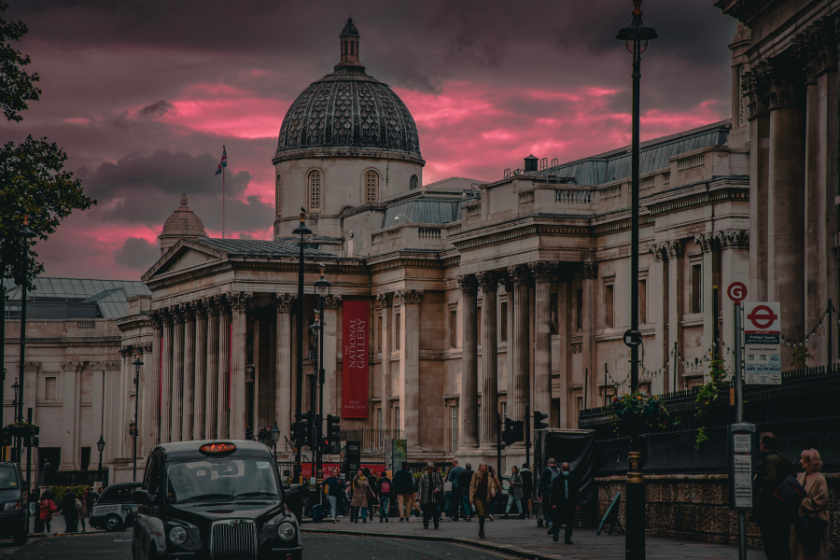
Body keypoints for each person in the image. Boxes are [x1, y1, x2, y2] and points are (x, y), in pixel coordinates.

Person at [753, 432, 794, 560]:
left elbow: (769, 485)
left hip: (771, 513)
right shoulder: (784, 459)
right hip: (784, 511)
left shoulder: (771, 459)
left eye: (760, 443)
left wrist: (759, 507)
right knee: (783, 546)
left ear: (764, 445)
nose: (759, 445)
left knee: (772, 547)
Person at [790, 449, 828, 560]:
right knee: (799, 552)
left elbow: (820, 501)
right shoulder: (800, 477)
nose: (800, 461)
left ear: (810, 462)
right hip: (800, 520)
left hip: (813, 521)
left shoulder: (820, 479)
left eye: (803, 459)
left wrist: (801, 501)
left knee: (813, 552)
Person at [548, 462, 579, 544]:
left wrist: (576, 503)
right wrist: (553, 503)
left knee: (570, 522)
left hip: (570, 504)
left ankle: (567, 538)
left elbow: (575, 492)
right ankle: (555, 533)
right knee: (558, 521)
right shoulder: (557, 479)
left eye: (566, 469)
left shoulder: (572, 479)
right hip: (560, 503)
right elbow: (554, 493)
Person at [468, 462, 499, 540]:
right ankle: (482, 532)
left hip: (486, 497)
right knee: (481, 514)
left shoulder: (489, 475)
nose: (483, 467)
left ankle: (481, 530)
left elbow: (492, 485)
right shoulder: (475, 475)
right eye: (481, 466)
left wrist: (493, 492)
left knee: (484, 516)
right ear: (479, 467)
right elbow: (472, 486)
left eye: (484, 466)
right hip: (478, 497)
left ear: (486, 467)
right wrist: (471, 498)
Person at [417, 462, 443, 529]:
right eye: (429, 469)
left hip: (433, 497)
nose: (431, 470)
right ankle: (426, 524)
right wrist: (419, 496)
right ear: (427, 469)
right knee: (426, 512)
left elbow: (440, 484)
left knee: (434, 512)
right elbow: (420, 487)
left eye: (432, 469)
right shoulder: (423, 476)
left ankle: (436, 523)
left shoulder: (436, 476)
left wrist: (437, 489)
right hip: (425, 497)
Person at [538, 458, 561, 531]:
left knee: (545, 509)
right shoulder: (559, 470)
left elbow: (541, 482)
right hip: (557, 494)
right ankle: (554, 523)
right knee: (555, 509)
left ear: (548, 464)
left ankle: (549, 522)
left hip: (547, 493)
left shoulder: (545, 470)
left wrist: (539, 493)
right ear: (555, 464)